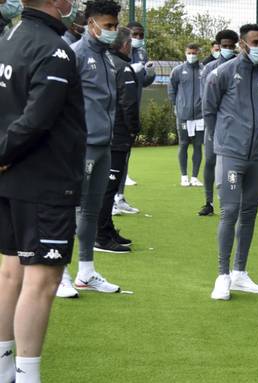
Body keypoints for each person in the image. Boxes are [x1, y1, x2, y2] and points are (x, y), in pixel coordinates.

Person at [0, 0, 85, 380]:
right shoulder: (55, 49)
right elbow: (37, 119)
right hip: (43, 180)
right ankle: (27, 375)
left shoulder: (10, 36)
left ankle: (5, 370)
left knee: (10, 273)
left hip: (12, 179)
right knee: (43, 279)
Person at [203, 23, 258, 301]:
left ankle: (240, 273)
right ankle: (222, 275)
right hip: (231, 154)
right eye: (255, 42)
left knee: (250, 213)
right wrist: (218, 145)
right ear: (242, 44)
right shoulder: (222, 72)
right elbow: (209, 110)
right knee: (229, 211)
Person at [57, 0, 122, 298]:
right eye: (108, 26)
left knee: (92, 212)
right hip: (80, 146)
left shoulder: (108, 57)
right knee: (71, 211)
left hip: (103, 145)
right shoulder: (75, 53)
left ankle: (86, 271)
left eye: (114, 26)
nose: (112, 31)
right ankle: (61, 274)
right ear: (91, 23)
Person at [94, 27, 140, 254]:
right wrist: (133, 130)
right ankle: (101, 236)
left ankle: (107, 229)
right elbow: (128, 104)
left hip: (105, 132)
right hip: (117, 135)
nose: (131, 47)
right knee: (108, 186)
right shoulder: (122, 67)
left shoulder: (106, 61)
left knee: (107, 186)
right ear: (124, 45)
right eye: (130, 43)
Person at [112, 21, 155, 214]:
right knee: (113, 159)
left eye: (140, 35)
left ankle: (119, 197)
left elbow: (143, 81)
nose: (137, 39)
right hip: (118, 111)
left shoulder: (142, 53)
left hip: (133, 105)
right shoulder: (114, 56)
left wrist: (150, 73)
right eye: (134, 35)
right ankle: (111, 200)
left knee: (125, 156)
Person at [197, 29, 239, 216]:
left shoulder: (241, 67)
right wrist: (212, 126)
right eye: (224, 46)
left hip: (237, 125)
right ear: (218, 46)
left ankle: (233, 203)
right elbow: (205, 99)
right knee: (211, 161)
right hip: (215, 123)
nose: (228, 49)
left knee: (236, 164)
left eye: (231, 46)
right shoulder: (209, 69)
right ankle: (208, 202)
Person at [168, 43, 204, 187]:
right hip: (183, 114)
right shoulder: (178, 70)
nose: (191, 55)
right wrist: (176, 106)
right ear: (185, 53)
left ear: (198, 53)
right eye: (189, 53)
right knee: (183, 144)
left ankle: (194, 177)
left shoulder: (204, 70)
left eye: (194, 53)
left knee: (197, 146)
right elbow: (172, 89)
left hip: (200, 115)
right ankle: (184, 176)